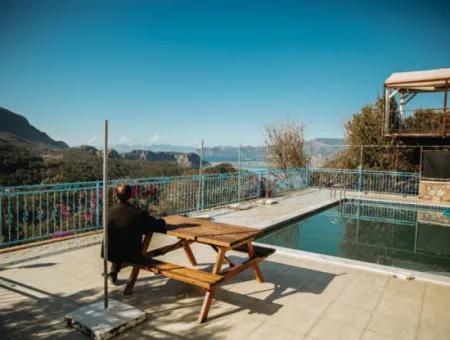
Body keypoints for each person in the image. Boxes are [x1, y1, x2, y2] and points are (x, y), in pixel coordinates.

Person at [102, 183, 167, 285]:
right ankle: (158, 266)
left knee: (121, 243)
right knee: (148, 253)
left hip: (109, 252)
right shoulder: (137, 213)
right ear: (131, 195)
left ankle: (113, 273)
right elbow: (156, 225)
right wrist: (163, 221)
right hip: (131, 254)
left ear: (116, 195)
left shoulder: (109, 211)